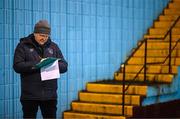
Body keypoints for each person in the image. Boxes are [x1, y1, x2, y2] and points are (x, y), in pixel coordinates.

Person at [13, 20, 68, 118]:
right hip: (30, 95)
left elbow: (64, 66)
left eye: (46, 36)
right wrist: (37, 64)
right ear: (35, 33)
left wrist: (52, 64)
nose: (44, 38)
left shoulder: (54, 47)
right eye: (41, 35)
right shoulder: (23, 46)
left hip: (50, 95)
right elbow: (17, 66)